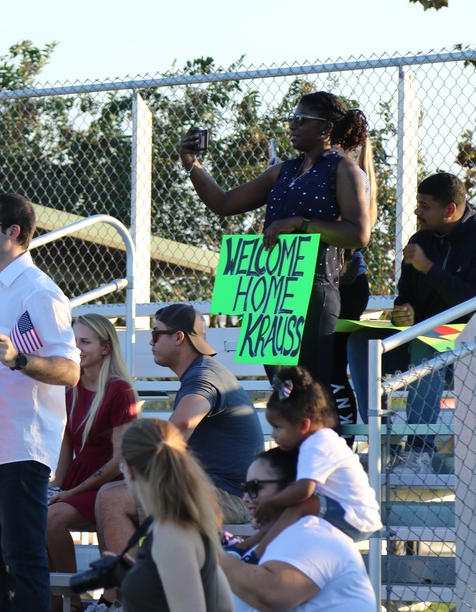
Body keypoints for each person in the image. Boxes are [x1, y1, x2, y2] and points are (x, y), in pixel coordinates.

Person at [80, 303, 261, 612]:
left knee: (115, 498)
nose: (151, 342)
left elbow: (179, 427)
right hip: (214, 488)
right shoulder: (199, 373)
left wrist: (139, 462)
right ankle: (115, 599)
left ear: (178, 337)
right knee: (111, 493)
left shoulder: (204, 376)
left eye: (155, 334)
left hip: (229, 497)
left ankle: (123, 603)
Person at [180, 91, 372, 387]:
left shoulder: (343, 169)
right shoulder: (283, 170)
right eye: (291, 119)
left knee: (311, 389)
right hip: (272, 291)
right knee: (283, 389)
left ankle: (325, 436)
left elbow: (359, 234)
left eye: (300, 119)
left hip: (314, 289)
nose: (291, 125)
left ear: (325, 128)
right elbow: (224, 203)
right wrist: (191, 162)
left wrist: (300, 223)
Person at [0, 193, 81, 612]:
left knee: (24, 560)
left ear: (12, 232)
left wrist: (20, 359)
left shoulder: (38, 291)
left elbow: (70, 368)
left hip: (21, 444)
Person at [61, 419, 231, 612]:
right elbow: (223, 606)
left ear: (127, 468)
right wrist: (142, 578)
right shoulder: (185, 521)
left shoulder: (168, 531)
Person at [349, 172, 476, 474]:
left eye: (424, 205)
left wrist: (428, 267)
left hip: (465, 342)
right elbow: (406, 295)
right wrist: (402, 310)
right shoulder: (420, 240)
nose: (417, 212)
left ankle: (420, 449)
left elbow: (471, 300)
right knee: (360, 342)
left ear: (449, 210)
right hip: (426, 335)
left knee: (425, 341)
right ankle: (384, 442)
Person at [217, 448, 378, 612]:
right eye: (244, 489)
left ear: (294, 490)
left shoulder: (315, 534)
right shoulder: (276, 540)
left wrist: (213, 555)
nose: (246, 498)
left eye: (255, 488)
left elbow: (271, 594)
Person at [238, 366, 381, 562]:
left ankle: (255, 553)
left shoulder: (318, 445)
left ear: (303, 425)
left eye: (278, 428)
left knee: (301, 504)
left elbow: (304, 491)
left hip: (357, 519)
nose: (273, 435)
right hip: (341, 512)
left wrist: (270, 503)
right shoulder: (316, 442)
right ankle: (246, 547)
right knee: (293, 506)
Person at [46, 313, 137, 612]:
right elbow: (67, 444)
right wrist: (55, 484)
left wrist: (70, 492)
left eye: (84, 342)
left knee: (53, 517)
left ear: (105, 348)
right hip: (77, 477)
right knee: (34, 511)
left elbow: (119, 460)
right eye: (73, 342)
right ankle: (58, 601)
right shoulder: (70, 385)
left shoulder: (119, 390)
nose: (77, 348)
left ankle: (73, 596)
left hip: (106, 482)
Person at [331, 140, 378, 444]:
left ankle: (344, 444)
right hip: (312, 283)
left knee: (333, 370)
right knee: (315, 370)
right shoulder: (302, 172)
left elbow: (356, 236)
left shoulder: (351, 175)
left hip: (343, 285)